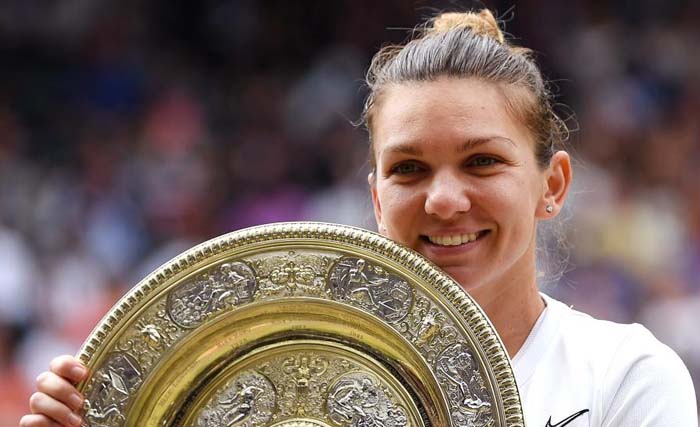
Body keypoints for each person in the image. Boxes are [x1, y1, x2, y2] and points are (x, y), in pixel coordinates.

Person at [20, 8, 698, 427]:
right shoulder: (283, 386)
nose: (443, 199)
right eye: (408, 170)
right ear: (376, 201)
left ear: (552, 185)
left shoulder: (625, 376)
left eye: (482, 162)